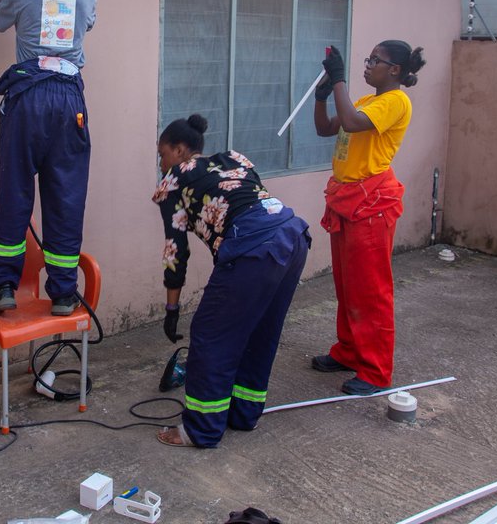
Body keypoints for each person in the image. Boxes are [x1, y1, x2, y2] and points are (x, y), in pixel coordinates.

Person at [152, 115, 310, 448]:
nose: (161, 163)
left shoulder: (173, 180)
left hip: (253, 249)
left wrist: (172, 308)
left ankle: (201, 429)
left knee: (211, 334)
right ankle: (243, 413)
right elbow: (252, 201)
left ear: (179, 150)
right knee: (260, 331)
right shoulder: (234, 158)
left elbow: (175, 250)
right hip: (291, 235)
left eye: (162, 154)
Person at [0, 0, 97, 316]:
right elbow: (88, 22)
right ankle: (64, 293)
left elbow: (0, 19)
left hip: (28, 96)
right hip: (70, 100)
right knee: (66, 194)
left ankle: (3, 286)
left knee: (15, 189)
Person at [310, 40, 426, 395]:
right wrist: (321, 96)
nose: (368, 65)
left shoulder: (396, 101)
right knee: (347, 284)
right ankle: (349, 351)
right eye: (368, 59)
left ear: (394, 70)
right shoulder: (365, 101)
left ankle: (375, 372)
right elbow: (327, 127)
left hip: (371, 204)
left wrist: (339, 79)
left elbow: (350, 122)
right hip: (346, 200)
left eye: (375, 60)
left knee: (371, 290)